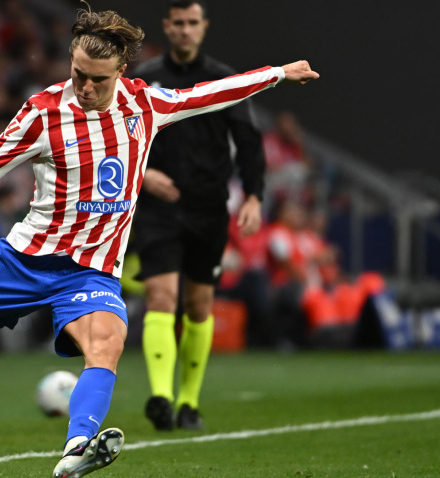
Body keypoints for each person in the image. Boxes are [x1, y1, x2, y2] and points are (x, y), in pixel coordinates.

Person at [0, 4, 319, 477]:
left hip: (91, 272)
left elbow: (210, 93)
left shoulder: (145, 105)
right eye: (78, 74)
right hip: (26, 259)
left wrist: (278, 74)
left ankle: (76, 449)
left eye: (97, 80)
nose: (85, 88)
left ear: (121, 72)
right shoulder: (42, 114)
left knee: (107, 342)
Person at [129, 0, 267, 431]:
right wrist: (144, 173)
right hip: (158, 207)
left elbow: (247, 140)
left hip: (208, 206)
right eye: (179, 23)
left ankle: (189, 401)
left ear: (203, 27)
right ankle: (161, 397)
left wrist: (253, 196)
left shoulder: (225, 79)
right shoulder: (145, 80)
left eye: (193, 23)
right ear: (167, 27)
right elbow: (123, 138)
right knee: (161, 298)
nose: (186, 30)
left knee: (199, 304)